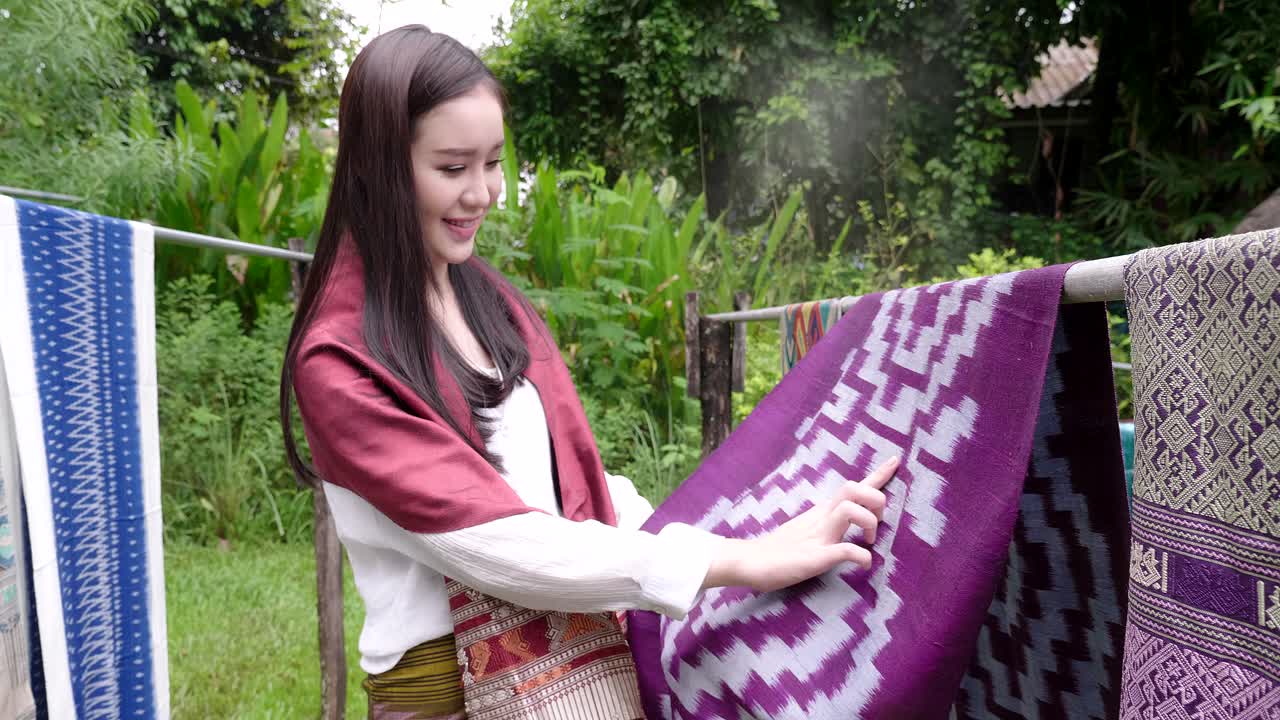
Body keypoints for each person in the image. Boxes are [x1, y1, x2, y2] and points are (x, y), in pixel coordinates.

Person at [280, 25, 897, 720]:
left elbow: (574, 488)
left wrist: (763, 529)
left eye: (492, 162)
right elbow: (499, 543)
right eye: (452, 169)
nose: (482, 193)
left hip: (572, 673)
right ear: (376, 166)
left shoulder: (490, 303)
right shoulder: (340, 358)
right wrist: (732, 561)